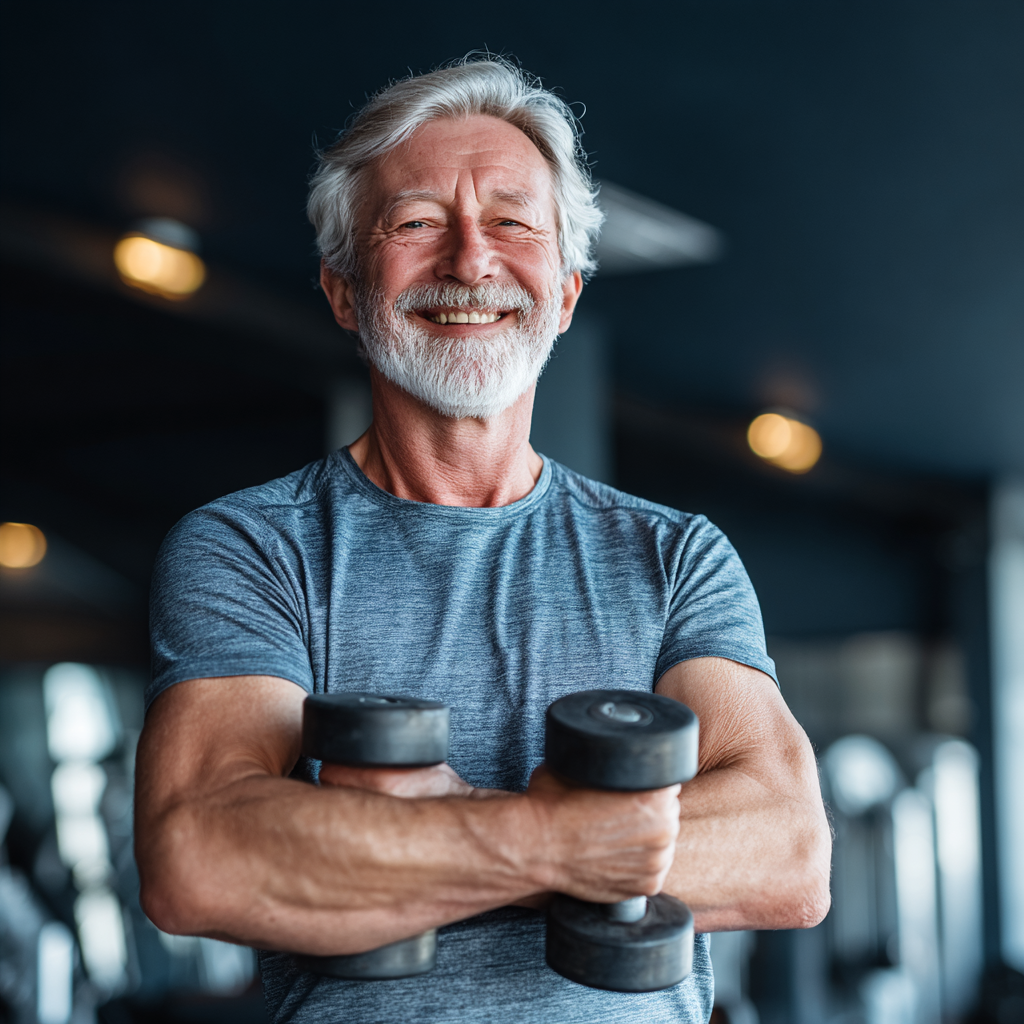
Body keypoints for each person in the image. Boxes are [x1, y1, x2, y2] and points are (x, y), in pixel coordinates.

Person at [134, 56, 831, 1024]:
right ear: (342, 291)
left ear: (567, 290)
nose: (469, 261)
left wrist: (410, 843)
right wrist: (570, 843)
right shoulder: (251, 547)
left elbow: (787, 851)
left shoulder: (673, 555)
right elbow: (201, 860)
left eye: (511, 222)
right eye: (417, 223)